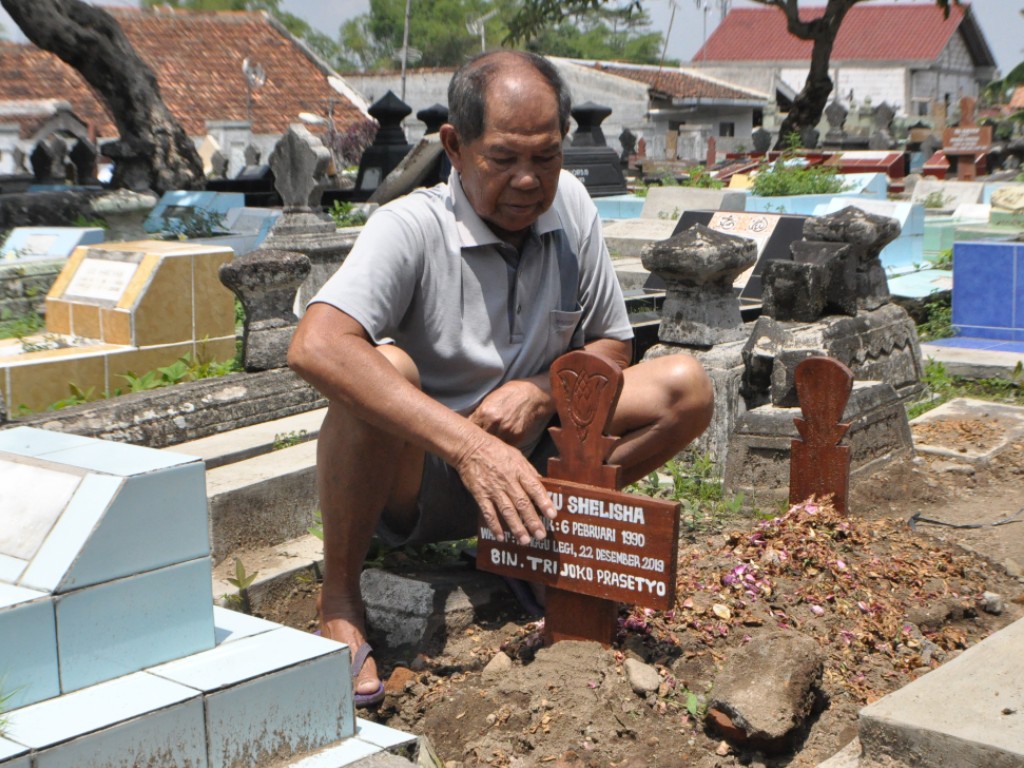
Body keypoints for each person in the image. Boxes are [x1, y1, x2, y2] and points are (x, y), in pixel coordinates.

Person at [288, 49, 714, 706]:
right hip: (421, 476)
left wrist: (541, 392)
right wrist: (467, 445)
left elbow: (610, 345)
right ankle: (341, 600)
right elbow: (316, 346)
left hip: (533, 464)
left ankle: (542, 541)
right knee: (383, 367)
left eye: (545, 157)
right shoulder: (410, 228)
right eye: (504, 159)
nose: (527, 180)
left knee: (686, 386)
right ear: (455, 147)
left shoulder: (570, 208)